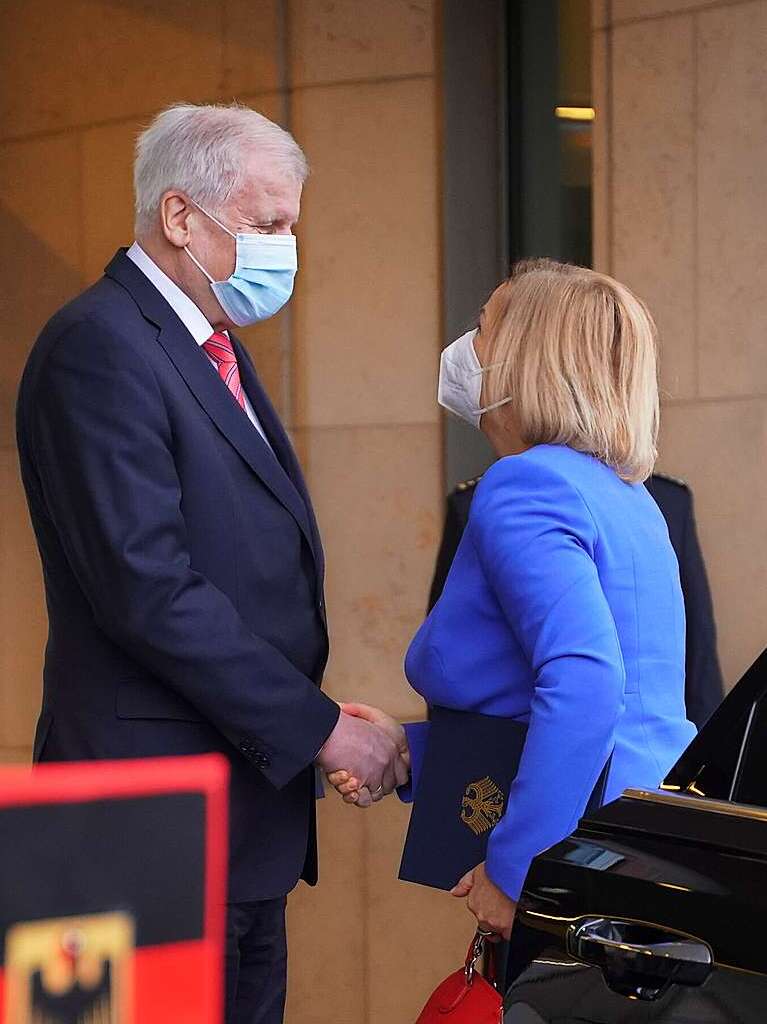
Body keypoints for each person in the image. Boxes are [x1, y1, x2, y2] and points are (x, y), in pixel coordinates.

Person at [16, 103, 406, 1024]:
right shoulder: (100, 346)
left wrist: (306, 717)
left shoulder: (208, 345)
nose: (285, 250)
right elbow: (147, 590)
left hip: (230, 823)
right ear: (180, 217)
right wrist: (318, 729)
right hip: (141, 826)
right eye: (267, 225)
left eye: (291, 227)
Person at [329, 259, 697, 942]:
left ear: (527, 356)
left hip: (582, 860)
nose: (466, 350)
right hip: (642, 841)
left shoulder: (524, 485)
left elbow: (586, 684)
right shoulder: (625, 496)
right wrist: (413, 752)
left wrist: (518, 869)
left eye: (482, 329)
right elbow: (554, 699)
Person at [429, 471, 724, 729]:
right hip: (510, 741)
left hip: (633, 747)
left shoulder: (667, 500)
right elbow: (448, 648)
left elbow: (698, 648)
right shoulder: (474, 503)